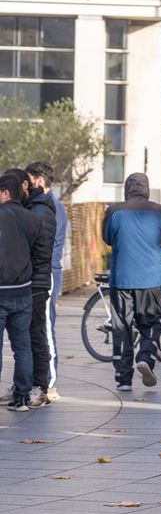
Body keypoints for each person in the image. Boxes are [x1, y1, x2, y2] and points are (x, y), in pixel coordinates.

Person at [101, 172, 161, 391]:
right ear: (146, 189)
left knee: (121, 327)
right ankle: (146, 357)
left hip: (121, 279)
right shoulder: (160, 211)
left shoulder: (114, 210)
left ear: (127, 189)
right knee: (150, 323)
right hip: (151, 279)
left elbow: (107, 238)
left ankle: (123, 378)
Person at [0, 172, 45, 412]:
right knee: (22, 347)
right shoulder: (33, 220)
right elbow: (38, 255)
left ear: (5, 193)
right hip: (23, 291)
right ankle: (22, 398)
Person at [17, 165, 59, 407]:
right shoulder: (33, 207)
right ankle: (26, 386)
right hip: (30, 279)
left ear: (38, 181)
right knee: (26, 335)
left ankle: (40, 387)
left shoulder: (41, 210)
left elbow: (40, 249)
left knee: (37, 334)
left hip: (37, 280)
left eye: (29, 180)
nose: (25, 184)